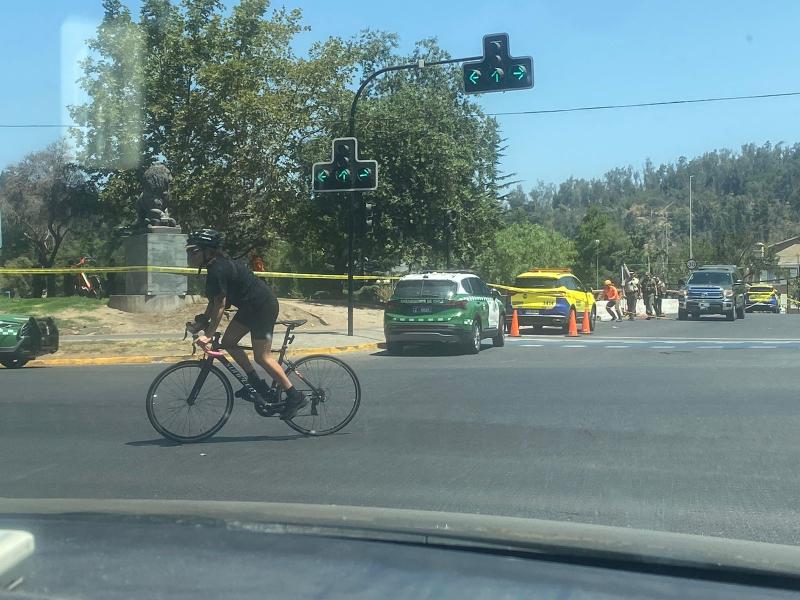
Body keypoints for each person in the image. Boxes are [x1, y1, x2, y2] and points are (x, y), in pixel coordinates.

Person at [185, 228, 307, 419]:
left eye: (193, 251)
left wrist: (208, 334)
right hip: (250, 308)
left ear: (208, 251)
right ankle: (256, 384)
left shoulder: (218, 268)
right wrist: (202, 321)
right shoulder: (215, 266)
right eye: (188, 251)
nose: (189, 255)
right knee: (228, 342)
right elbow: (214, 301)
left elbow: (220, 305)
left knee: (262, 357)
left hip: (262, 307)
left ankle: (295, 396)